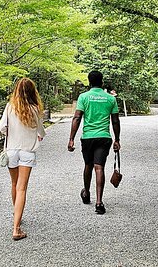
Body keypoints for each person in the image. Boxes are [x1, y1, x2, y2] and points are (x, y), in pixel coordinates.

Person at [0, 77, 46, 241]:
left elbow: (2, 127)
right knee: (22, 188)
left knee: (14, 184)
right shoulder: (35, 109)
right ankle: (16, 228)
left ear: (17, 90)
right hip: (27, 151)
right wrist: (38, 135)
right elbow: (41, 131)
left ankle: (16, 215)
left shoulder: (10, 107)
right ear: (33, 92)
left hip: (11, 150)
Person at [68, 70, 120, 215]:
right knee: (99, 167)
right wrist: (117, 139)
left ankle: (86, 192)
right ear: (102, 82)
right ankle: (99, 202)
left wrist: (71, 138)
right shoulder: (110, 99)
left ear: (89, 82)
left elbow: (77, 118)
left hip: (88, 137)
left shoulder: (83, 97)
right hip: (104, 137)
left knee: (88, 165)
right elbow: (115, 120)